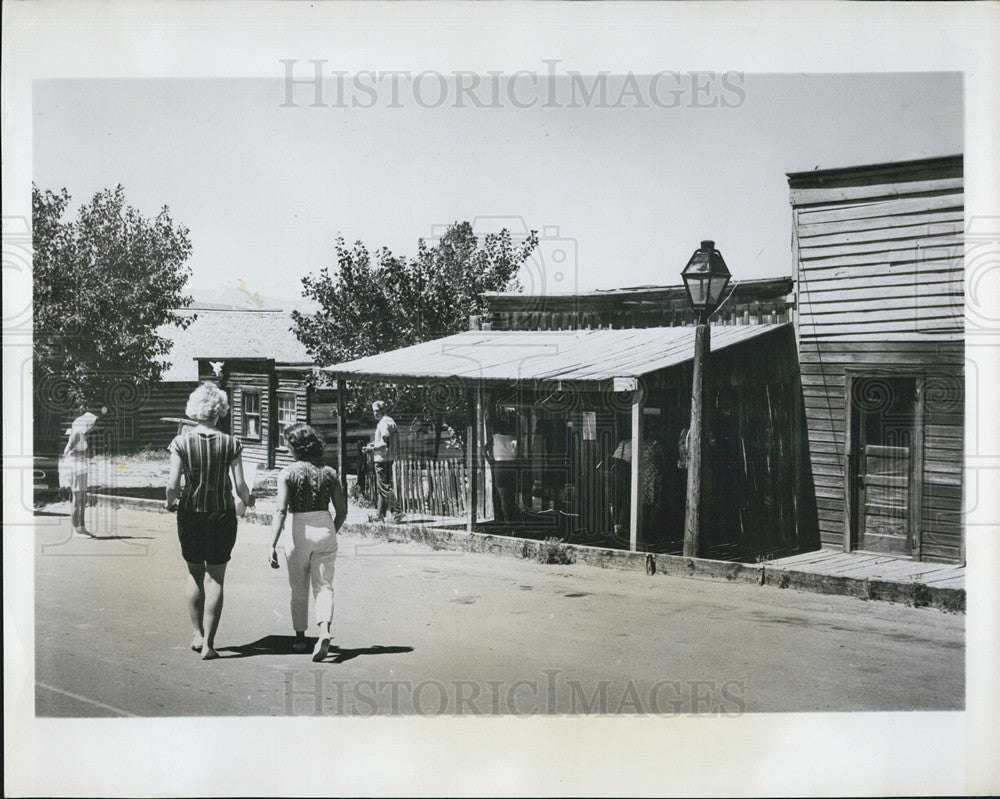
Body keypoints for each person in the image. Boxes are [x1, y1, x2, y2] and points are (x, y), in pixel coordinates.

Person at [166, 382, 253, 660]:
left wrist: (170, 503)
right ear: (220, 411)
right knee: (216, 578)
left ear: (194, 411)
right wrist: (247, 502)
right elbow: (240, 486)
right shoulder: (232, 443)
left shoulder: (180, 442)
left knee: (194, 572)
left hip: (191, 512)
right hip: (221, 514)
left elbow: (172, 485)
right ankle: (210, 644)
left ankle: (196, 634)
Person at [268, 423, 348, 661]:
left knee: (299, 588)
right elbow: (342, 511)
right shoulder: (331, 473)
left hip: (298, 530)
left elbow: (281, 510)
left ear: (294, 447)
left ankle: (301, 638)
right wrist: (330, 532)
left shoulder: (287, 473)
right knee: (324, 586)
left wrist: (271, 544)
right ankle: (324, 630)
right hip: (324, 525)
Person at [364, 400, 403, 523]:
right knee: (382, 487)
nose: (375, 413)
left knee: (384, 487)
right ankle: (379, 515)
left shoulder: (383, 423)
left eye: (377, 411)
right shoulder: (390, 421)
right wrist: (374, 443)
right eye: (374, 411)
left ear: (383, 410)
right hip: (389, 458)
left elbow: (385, 442)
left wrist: (372, 448)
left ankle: (397, 512)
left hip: (381, 459)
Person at [63, 411, 98, 537]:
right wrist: (84, 454)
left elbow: (82, 451)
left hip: (82, 466)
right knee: (77, 499)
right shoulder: (76, 433)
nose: (93, 426)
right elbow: (67, 452)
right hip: (74, 467)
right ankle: (76, 530)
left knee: (83, 499)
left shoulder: (83, 435)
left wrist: (87, 454)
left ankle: (82, 527)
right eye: (92, 424)